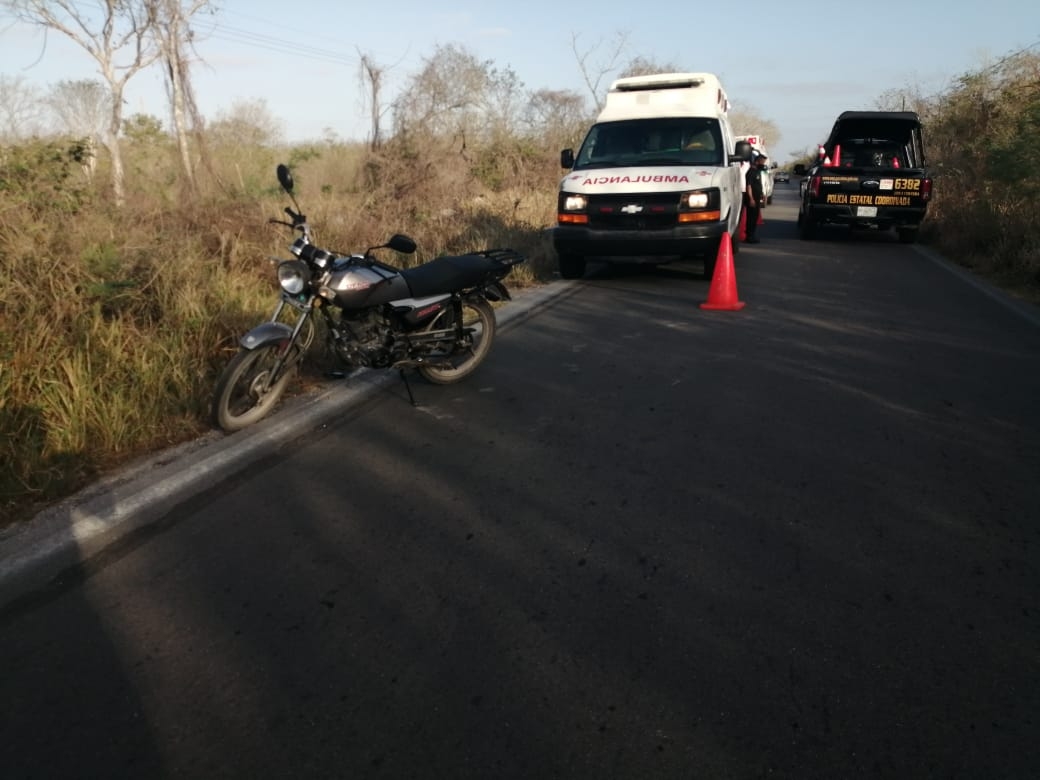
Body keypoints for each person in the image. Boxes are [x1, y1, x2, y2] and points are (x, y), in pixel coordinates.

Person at [744, 152, 767, 243]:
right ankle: (749, 237)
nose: (763, 165)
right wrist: (751, 199)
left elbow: (758, 185)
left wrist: (762, 195)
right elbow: (748, 186)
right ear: (757, 162)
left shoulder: (757, 171)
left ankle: (752, 235)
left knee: (755, 218)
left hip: (757, 198)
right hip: (752, 199)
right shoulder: (751, 172)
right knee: (751, 218)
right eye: (762, 162)